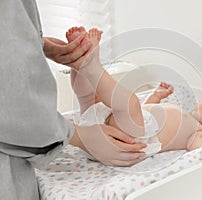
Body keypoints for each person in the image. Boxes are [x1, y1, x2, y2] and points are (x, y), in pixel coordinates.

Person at [0, 1, 146, 200]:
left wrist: (40, 45)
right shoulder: (191, 124)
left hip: (105, 133)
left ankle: (83, 68)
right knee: (130, 105)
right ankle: (91, 69)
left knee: (88, 100)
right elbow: (12, 96)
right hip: (132, 136)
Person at [66, 27, 202, 162]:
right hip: (98, 128)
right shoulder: (182, 113)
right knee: (90, 100)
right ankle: (79, 63)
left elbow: (199, 146)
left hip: (127, 141)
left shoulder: (198, 131)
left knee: (129, 103)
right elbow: (146, 110)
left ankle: (93, 68)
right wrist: (157, 96)